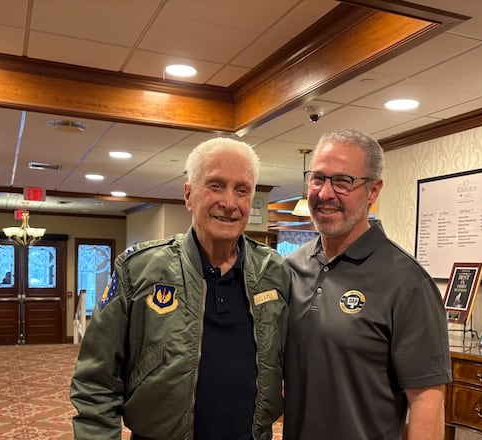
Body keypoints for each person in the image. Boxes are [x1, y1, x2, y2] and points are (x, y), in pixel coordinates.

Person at [70, 137, 290, 440]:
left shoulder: (275, 272)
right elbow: (96, 383)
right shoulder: (138, 269)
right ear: (188, 195)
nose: (229, 203)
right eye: (215, 185)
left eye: (242, 190)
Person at [283, 129, 452, 440]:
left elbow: (427, 399)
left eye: (343, 181)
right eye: (318, 178)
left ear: (373, 190)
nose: (325, 193)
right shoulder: (292, 268)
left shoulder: (408, 281)